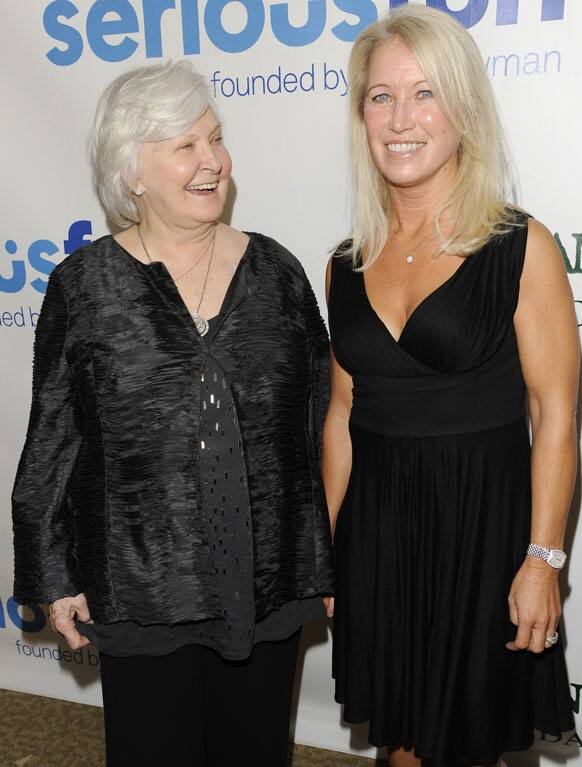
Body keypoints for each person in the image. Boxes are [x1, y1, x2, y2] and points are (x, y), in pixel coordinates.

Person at [12, 60, 333, 767]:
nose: (213, 161)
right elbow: (53, 442)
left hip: (266, 579)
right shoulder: (86, 286)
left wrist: (330, 560)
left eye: (215, 139)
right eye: (184, 146)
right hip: (139, 583)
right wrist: (53, 570)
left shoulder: (278, 273)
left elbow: (320, 428)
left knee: (254, 751)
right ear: (132, 171)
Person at [322, 6, 577, 767]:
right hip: (379, 534)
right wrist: (328, 553)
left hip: (482, 531)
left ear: (462, 109)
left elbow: (555, 412)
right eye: (381, 97)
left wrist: (544, 558)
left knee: (470, 743)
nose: (400, 119)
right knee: (401, 739)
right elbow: (341, 415)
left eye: (425, 94)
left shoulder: (519, 246)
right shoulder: (345, 261)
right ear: (362, 115)